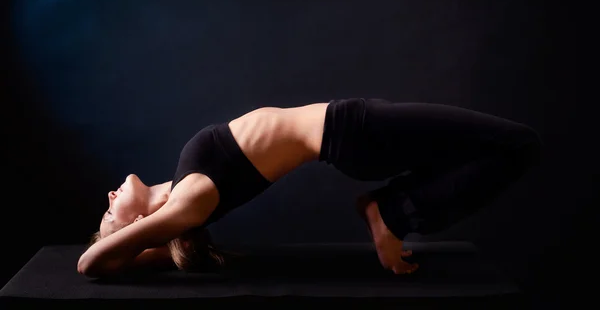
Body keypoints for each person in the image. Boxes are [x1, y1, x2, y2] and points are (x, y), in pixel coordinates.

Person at [78, 98, 542, 278]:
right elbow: (87, 266)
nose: (109, 198)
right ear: (136, 227)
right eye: (109, 216)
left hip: (353, 132)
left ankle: (395, 209)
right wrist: (131, 244)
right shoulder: (188, 202)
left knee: (489, 149)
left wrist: (132, 239)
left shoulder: (183, 190)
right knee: (517, 144)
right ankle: (393, 214)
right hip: (353, 131)